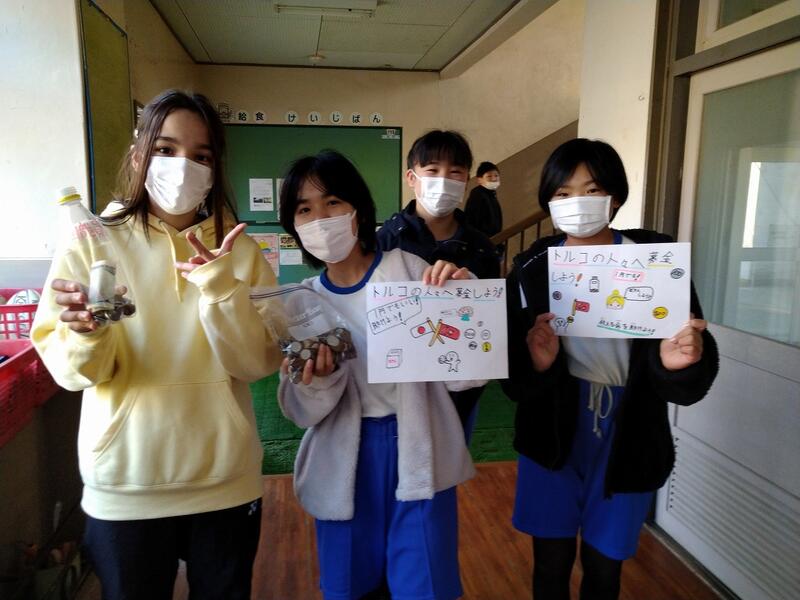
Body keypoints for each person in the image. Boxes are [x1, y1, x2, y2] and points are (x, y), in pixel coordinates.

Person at [32, 90, 283, 600]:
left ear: (215, 169)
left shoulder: (239, 250)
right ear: (138, 156)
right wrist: (87, 334)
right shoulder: (92, 241)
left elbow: (257, 362)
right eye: (166, 149)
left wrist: (220, 288)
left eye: (201, 156)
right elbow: (75, 374)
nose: (182, 166)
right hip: (126, 482)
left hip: (226, 479)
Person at [502, 138, 719, 600]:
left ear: (615, 197)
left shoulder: (656, 261)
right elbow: (515, 378)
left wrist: (677, 364)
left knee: (605, 566)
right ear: (549, 203)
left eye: (591, 190)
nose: (576, 203)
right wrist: (537, 364)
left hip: (629, 433)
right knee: (550, 562)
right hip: (552, 432)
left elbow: (689, 373)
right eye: (562, 194)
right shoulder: (531, 268)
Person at [277, 150, 480, 600]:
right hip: (342, 461)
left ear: (358, 209)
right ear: (293, 225)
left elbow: (464, 377)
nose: (320, 219)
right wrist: (319, 380)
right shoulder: (299, 304)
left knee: (425, 585)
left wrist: (464, 305)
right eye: (304, 209)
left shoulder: (408, 270)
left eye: (332, 202)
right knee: (348, 585)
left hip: (419, 449)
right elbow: (300, 410)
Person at [378, 130, 498, 439]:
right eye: (432, 170)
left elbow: (491, 324)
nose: (443, 180)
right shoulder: (384, 242)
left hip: (460, 392)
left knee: (452, 458)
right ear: (411, 177)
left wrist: (468, 288)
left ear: (466, 180)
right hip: (396, 391)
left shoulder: (481, 247)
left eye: (455, 172)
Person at [464, 160, 503, 241]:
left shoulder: (491, 194)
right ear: (479, 180)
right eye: (489, 176)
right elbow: (473, 223)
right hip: (483, 242)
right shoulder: (478, 195)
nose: (494, 179)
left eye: (496, 176)